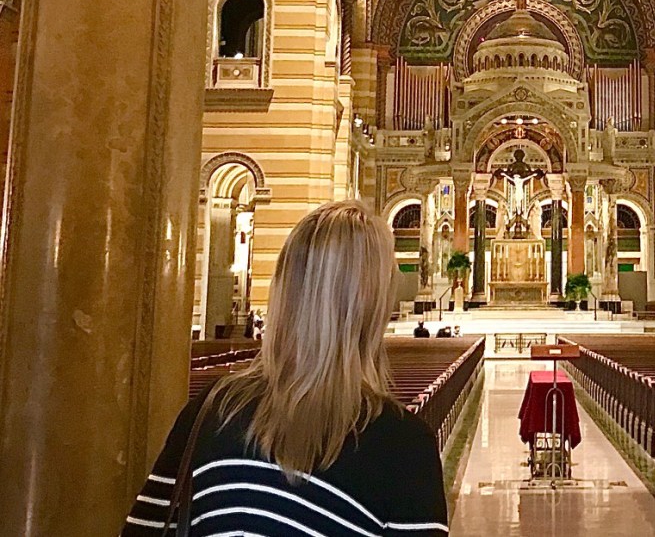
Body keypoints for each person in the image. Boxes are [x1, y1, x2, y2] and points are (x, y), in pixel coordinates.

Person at [123, 201, 448, 536]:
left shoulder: (208, 412)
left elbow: (143, 529)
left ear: (284, 289)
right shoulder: (404, 447)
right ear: (374, 307)